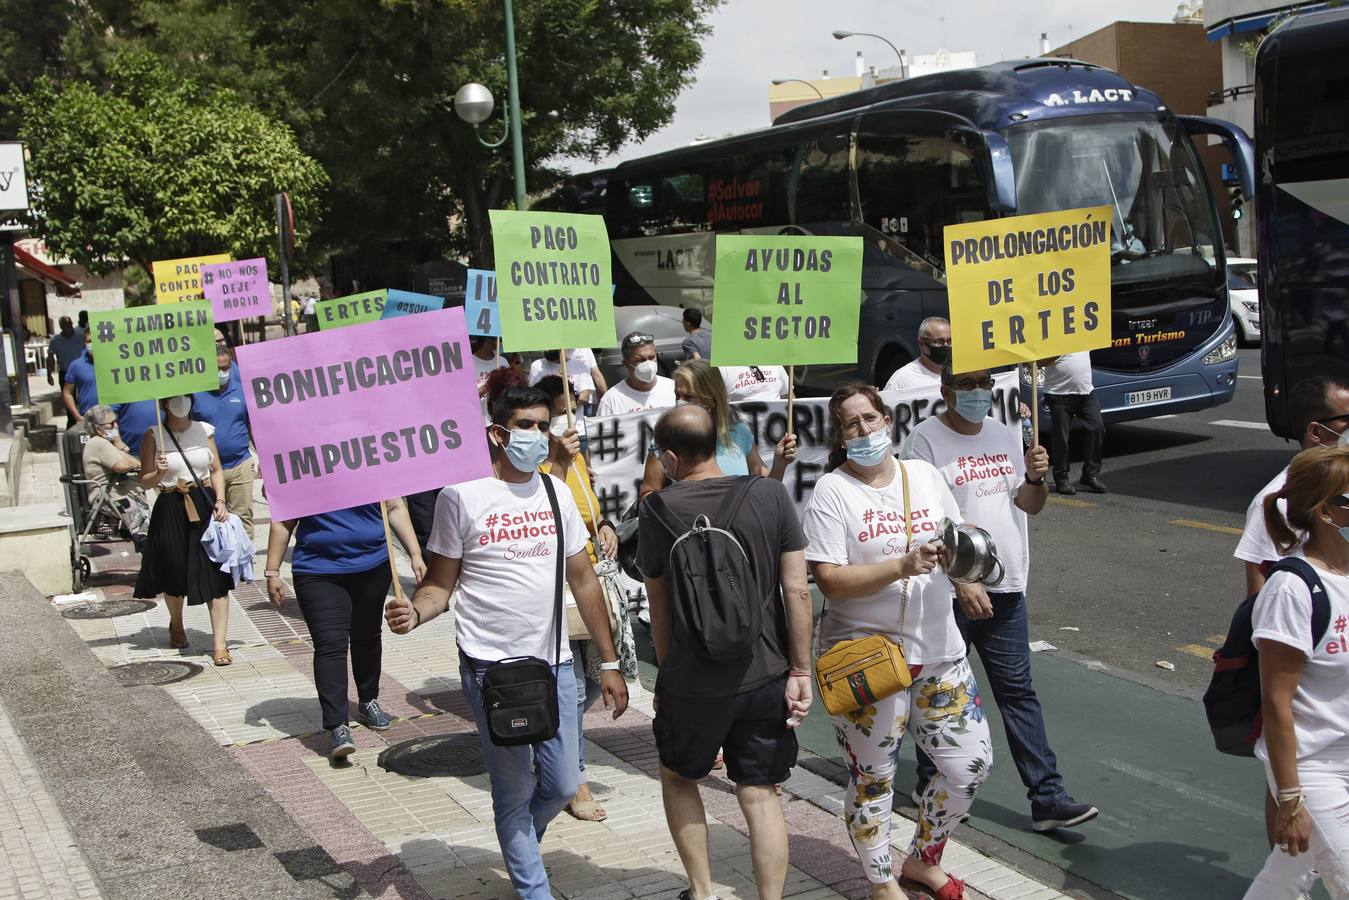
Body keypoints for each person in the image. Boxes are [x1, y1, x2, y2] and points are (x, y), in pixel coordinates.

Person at [385, 384, 629, 900]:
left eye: (543, 425)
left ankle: (522, 845)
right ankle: (532, 887)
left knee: (563, 784)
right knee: (513, 792)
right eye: (526, 426)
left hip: (556, 664)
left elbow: (584, 581)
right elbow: (439, 586)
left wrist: (609, 662)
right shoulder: (462, 495)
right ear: (497, 433)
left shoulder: (556, 493)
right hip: (491, 669)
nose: (538, 436)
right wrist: (415, 612)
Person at [802, 383, 991, 900]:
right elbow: (830, 580)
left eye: (870, 418)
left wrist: (966, 576)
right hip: (867, 659)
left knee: (968, 767)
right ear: (840, 437)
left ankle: (923, 859)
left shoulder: (923, 476)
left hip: (940, 653)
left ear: (888, 420)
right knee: (874, 779)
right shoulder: (833, 492)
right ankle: (882, 881)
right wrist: (901, 565)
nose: (864, 431)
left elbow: (955, 538)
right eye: (850, 425)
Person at [907, 364, 1098, 832]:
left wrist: (1037, 479)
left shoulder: (1004, 433)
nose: (978, 393)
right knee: (940, 694)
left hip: (1007, 589)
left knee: (1018, 694)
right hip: (951, 592)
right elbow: (924, 520)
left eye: (985, 385)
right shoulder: (925, 441)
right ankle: (933, 785)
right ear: (946, 391)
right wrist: (960, 579)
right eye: (968, 385)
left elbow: (1028, 505)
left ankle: (1048, 798)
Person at [638, 404, 813, 900]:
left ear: (670, 456)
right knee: (759, 793)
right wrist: (801, 668)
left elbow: (659, 603)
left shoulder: (656, 511)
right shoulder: (770, 494)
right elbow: (797, 591)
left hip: (694, 681)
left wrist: (669, 676)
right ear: (719, 443)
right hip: (765, 672)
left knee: (677, 776)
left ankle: (702, 891)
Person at [1236, 375, 1349, 890]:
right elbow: (1277, 704)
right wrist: (1290, 798)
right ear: (1325, 512)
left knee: (1283, 880)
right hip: (1315, 769)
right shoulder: (1292, 588)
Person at [535, 375, 638, 823]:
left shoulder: (579, 457)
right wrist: (557, 462)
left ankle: (551, 752)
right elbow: (546, 513)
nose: (567, 420)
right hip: (555, 589)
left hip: (591, 585)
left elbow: (589, 507)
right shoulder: (533, 466)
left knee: (596, 680)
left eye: (571, 410)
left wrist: (606, 525)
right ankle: (573, 779)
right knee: (573, 687)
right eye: (558, 413)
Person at [265, 500, 424, 760]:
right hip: (317, 571)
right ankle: (337, 724)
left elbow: (395, 507)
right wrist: (272, 571)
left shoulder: (369, 459)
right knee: (330, 645)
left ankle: (368, 700)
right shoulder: (300, 461)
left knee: (368, 636)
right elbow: (283, 520)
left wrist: (415, 554)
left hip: (373, 565)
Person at [133, 395, 234, 665]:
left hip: (204, 504)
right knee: (174, 571)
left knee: (216, 573)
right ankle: (176, 623)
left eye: (185, 398)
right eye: (175, 399)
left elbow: (216, 469)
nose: (181, 403)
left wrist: (221, 500)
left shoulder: (205, 430)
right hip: (170, 505)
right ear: (165, 404)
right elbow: (144, 481)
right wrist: (158, 472)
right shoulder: (154, 436)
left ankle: (220, 644)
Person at [640, 359, 796, 496]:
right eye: (677, 396)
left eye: (689, 397)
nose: (680, 402)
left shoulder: (738, 433)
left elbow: (766, 491)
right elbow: (648, 493)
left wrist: (779, 465)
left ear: (712, 397)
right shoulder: (666, 438)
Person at [193, 344, 256, 538]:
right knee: (211, 517)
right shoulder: (195, 394)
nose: (222, 372)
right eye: (217, 368)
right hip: (207, 469)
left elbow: (253, 426)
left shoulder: (242, 391)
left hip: (240, 464)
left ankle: (244, 559)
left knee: (242, 515)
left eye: (225, 367)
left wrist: (263, 457)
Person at [1041, 351, 1105, 495]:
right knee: (1061, 437)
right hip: (1058, 394)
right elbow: (1040, 363)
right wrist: (1059, 350)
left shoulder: (1083, 331)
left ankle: (1090, 474)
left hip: (1085, 391)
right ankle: (1061, 478)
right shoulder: (1053, 334)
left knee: (1097, 427)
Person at [80, 405, 149, 538]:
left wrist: (120, 445)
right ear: (98, 428)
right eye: (111, 423)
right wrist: (119, 443)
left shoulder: (105, 443)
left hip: (121, 494)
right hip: (113, 497)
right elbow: (122, 465)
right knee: (146, 531)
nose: (115, 426)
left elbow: (128, 460)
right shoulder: (98, 443)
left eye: (116, 422)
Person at [595, 332, 675, 417]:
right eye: (640, 360)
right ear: (626, 364)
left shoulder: (674, 389)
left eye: (651, 357)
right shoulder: (611, 400)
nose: (648, 364)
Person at [883, 317, 950, 392]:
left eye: (949, 341)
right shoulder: (901, 380)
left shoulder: (960, 374)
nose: (946, 346)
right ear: (921, 343)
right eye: (938, 341)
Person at [528, 349, 595, 407]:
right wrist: (555, 382)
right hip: (551, 420)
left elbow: (584, 398)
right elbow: (536, 398)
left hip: (575, 420)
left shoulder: (579, 365)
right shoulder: (537, 366)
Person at [62, 329, 99, 423]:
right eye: (89, 341)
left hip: (112, 419)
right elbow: (67, 392)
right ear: (84, 343)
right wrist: (77, 416)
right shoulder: (76, 365)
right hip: (88, 419)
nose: (92, 344)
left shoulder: (113, 363)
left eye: (95, 340)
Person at [46, 316, 84, 388]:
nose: (70, 327)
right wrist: (49, 375)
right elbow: (50, 357)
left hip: (80, 371)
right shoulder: (55, 340)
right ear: (61, 327)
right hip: (65, 373)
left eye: (70, 324)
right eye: (67, 325)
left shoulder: (80, 337)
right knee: (68, 396)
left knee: (83, 396)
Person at [721, 364, 790, 403]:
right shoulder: (723, 368)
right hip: (740, 427)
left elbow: (788, 396)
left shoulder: (773, 362)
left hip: (777, 425)